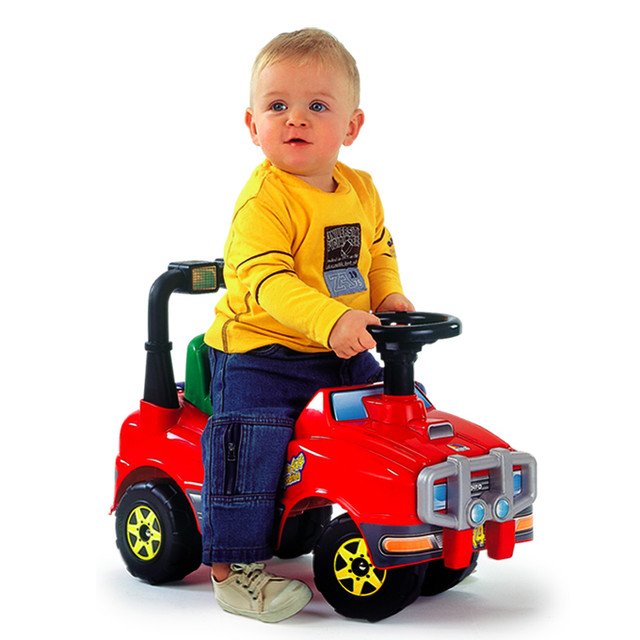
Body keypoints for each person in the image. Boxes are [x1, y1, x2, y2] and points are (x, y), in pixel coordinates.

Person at [201, 27, 414, 622]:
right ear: (253, 125)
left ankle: (411, 523)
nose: (295, 118)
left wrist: (387, 294)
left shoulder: (360, 189)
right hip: (260, 354)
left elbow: (376, 250)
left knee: (401, 411)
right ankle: (235, 570)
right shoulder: (264, 202)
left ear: (351, 126)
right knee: (251, 438)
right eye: (277, 106)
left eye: (317, 106)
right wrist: (332, 319)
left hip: (340, 345)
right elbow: (269, 282)